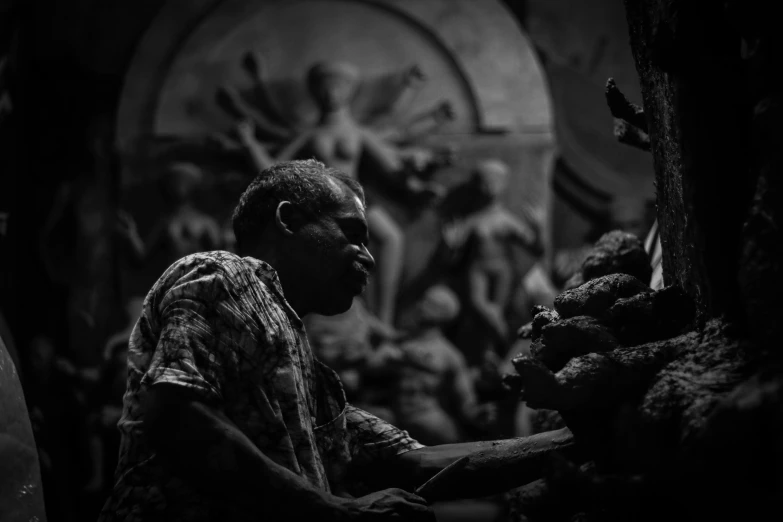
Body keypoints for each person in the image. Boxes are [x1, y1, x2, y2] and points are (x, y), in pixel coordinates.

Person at [97, 160, 576, 522]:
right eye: (353, 234)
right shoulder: (225, 273)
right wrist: (333, 511)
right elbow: (176, 413)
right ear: (287, 219)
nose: (368, 257)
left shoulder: (305, 374)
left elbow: (408, 463)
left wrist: (573, 440)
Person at [230, 59, 449, 327]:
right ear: (316, 92)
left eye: (339, 86)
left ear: (350, 91)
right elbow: (273, 169)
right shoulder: (309, 134)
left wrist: (417, 182)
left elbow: (392, 167)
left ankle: (383, 319)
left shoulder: (358, 133)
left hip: (357, 198)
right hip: (323, 201)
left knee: (392, 238)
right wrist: (249, 143)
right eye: (325, 86)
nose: (332, 92)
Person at [391, 285, 496, 445]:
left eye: (429, 303)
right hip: (395, 416)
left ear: (443, 313)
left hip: (426, 415)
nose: (420, 306)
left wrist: (476, 413)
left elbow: (465, 398)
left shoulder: (449, 355)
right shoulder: (402, 341)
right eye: (423, 300)